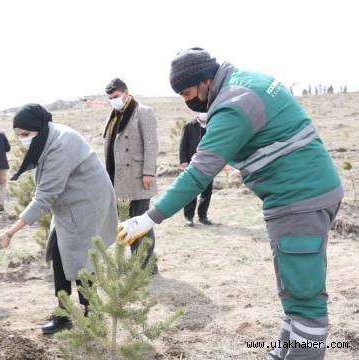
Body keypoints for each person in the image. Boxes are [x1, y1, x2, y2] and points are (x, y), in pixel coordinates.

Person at [117, 48, 343, 360]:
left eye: (187, 92)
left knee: (305, 301)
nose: (186, 101)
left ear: (205, 81)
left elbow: (198, 173)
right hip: (307, 192)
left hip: (299, 199)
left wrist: (149, 218)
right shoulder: (250, 81)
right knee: (295, 291)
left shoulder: (234, 105)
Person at [0, 104, 118, 335]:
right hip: (68, 201)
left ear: (38, 129)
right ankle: (64, 312)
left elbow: (44, 197)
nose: (22, 140)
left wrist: (11, 232)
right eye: (18, 135)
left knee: (83, 259)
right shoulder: (49, 135)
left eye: (25, 135)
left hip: (87, 203)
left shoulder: (61, 144)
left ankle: (91, 314)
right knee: (58, 252)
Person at [103, 78, 159, 272]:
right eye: (110, 98)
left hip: (138, 178)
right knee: (128, 224)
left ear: (126, 93)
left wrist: (148, 173)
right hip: (118, 180)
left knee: (142, 223)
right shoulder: (114, 116)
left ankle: (148, 267)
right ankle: (137, 264)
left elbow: (151, 145)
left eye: (116, 96)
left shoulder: (143, 112)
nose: (113, 100)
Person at [178, 113, 213, 226]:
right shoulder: (189, 126)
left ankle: (203, 216)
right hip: (192, 164)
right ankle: (188, 217)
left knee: (207, 192)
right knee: (190, 192)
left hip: (209, 164)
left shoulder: (213, 125)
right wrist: (183, 162)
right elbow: (182, 145)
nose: (205, 113)